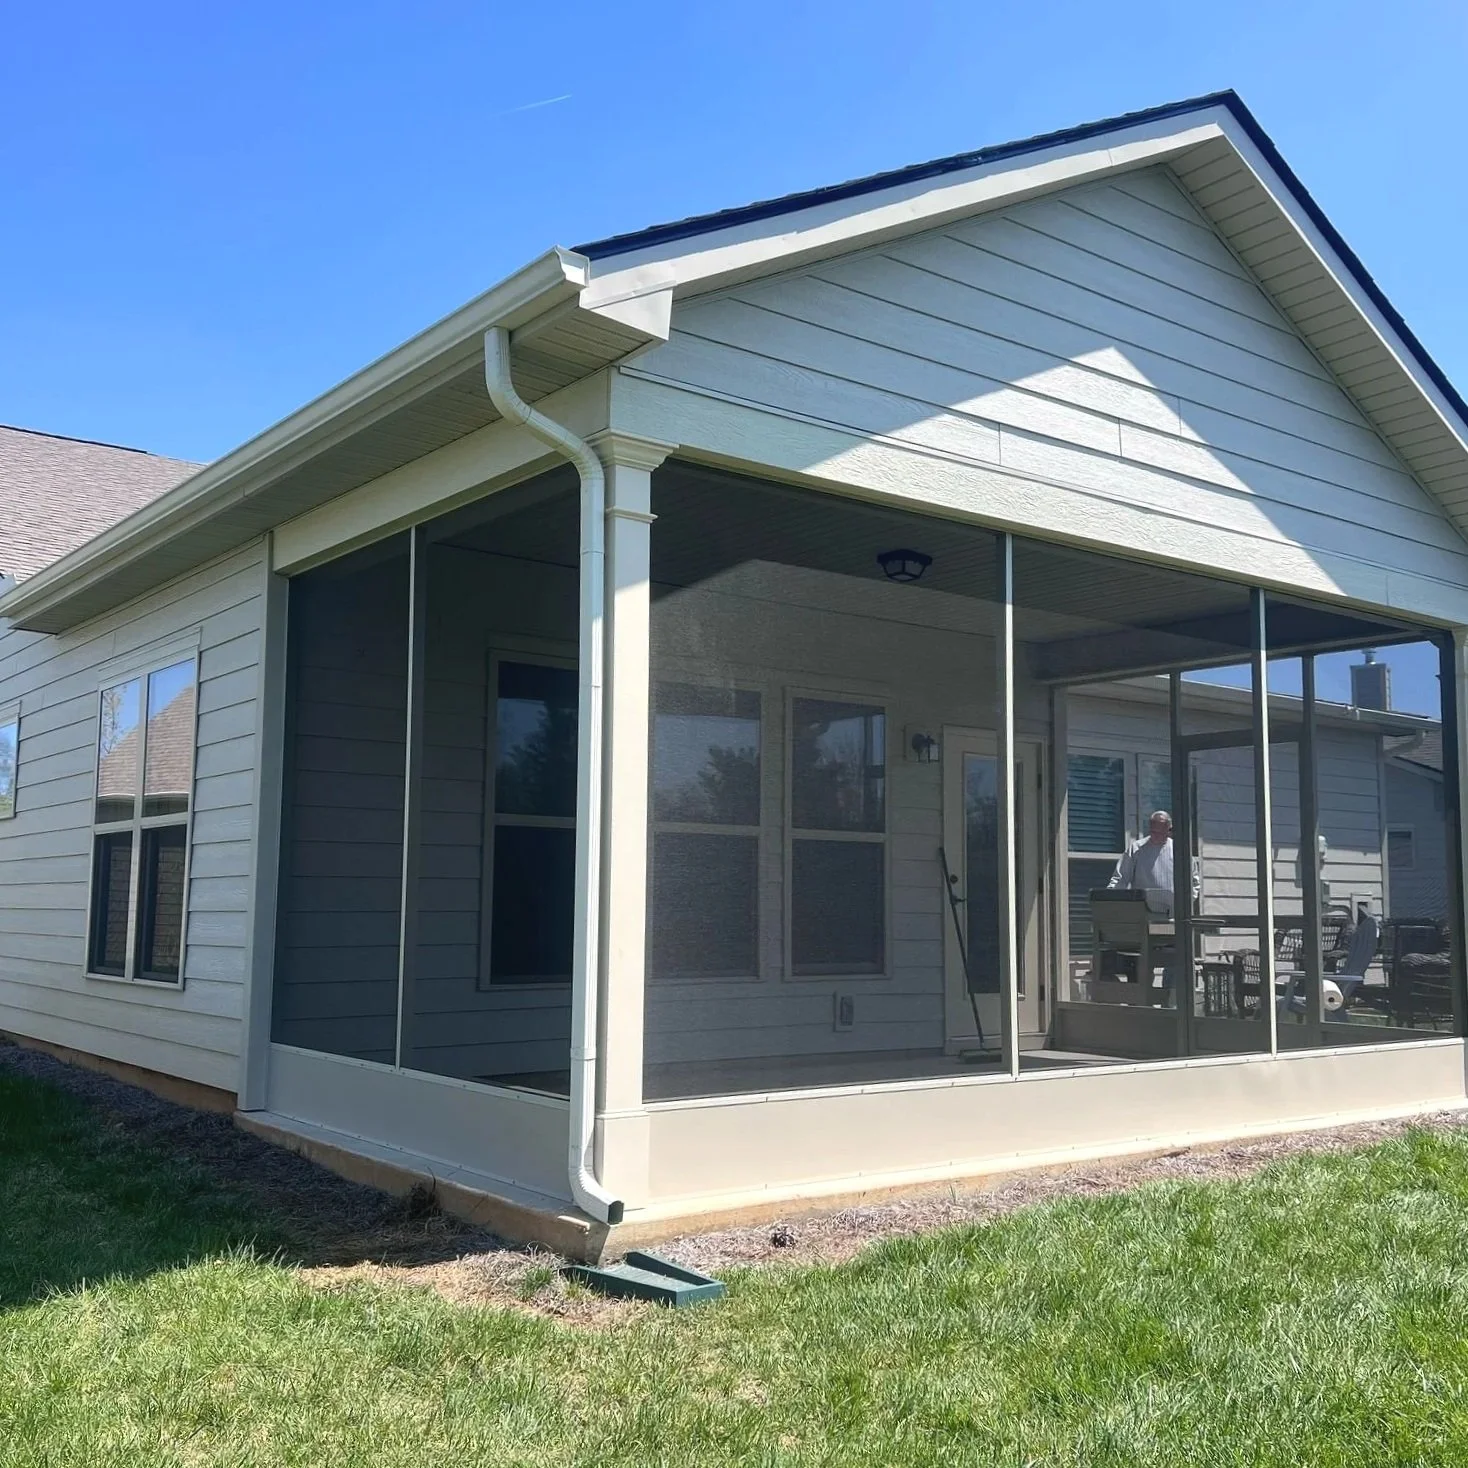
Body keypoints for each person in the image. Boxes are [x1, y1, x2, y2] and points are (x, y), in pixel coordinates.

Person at [1108, 810, 1175, 916]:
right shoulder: (1137, 849)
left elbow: (1193, 881)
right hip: (1143, 913)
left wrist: (1184, 903)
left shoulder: (1179, 850)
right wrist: (1109, 901)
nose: (1156, 836)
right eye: (1153, 832)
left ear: (1168, 830)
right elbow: (1120, 879)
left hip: (1173, 914)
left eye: (1160, 832)